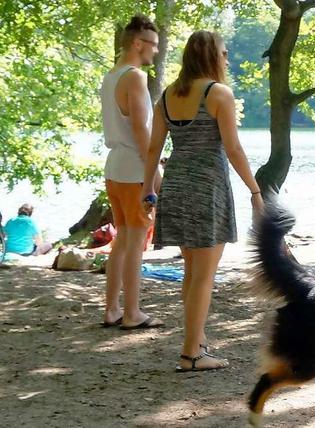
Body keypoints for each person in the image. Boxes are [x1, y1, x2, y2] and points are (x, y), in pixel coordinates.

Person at [143, 30, 263, 372]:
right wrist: (255, 191)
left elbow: (153, 150)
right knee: (203, 276)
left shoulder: (167, 96)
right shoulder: (218, 94)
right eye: (223, 53)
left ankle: (197, 342)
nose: (227, 59)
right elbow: (233, 148)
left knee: (193, 272)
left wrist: (147, 191)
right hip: (207, 188)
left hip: (177, 185)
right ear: (211, 56)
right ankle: (191, 354)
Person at [100, 15, 163, 330]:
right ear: (138, 44)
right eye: (152, 45)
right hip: (135, 169)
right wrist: (155, 175)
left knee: (123, 240)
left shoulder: (111, 76)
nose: (155, 51)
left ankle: (112, 309)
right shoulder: (135, 77)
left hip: (115, 166)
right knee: (135, 242)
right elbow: (141, 130)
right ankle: (133, 312)